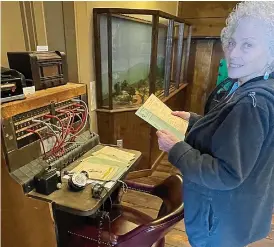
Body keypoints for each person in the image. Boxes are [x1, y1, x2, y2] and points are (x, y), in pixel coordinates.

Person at [156, 2, 274, 247]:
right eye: (232, 42)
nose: (233, 53)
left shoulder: (252, 103)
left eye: (248, 45)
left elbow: (226, 173)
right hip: (237, 212)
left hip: (220, 219)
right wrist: (193, 121)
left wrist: (175, 148)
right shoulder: (246, 86)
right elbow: (228, 133)